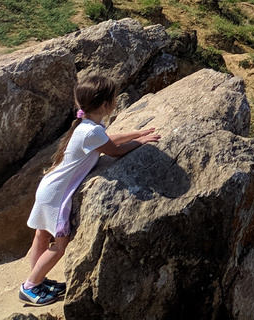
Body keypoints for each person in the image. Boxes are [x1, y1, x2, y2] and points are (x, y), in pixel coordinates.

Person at [18, 73, 161, 307]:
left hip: (49, 188)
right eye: (113, 98)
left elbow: (107, 139)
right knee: (60, 246)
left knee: (41, 235)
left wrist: (136, 132)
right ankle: (30, 287)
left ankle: (37, 278)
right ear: (105, 104)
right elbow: (113, 150)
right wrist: (141, 142)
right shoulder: (91, 131)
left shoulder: (87, 126)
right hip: (57, 196)